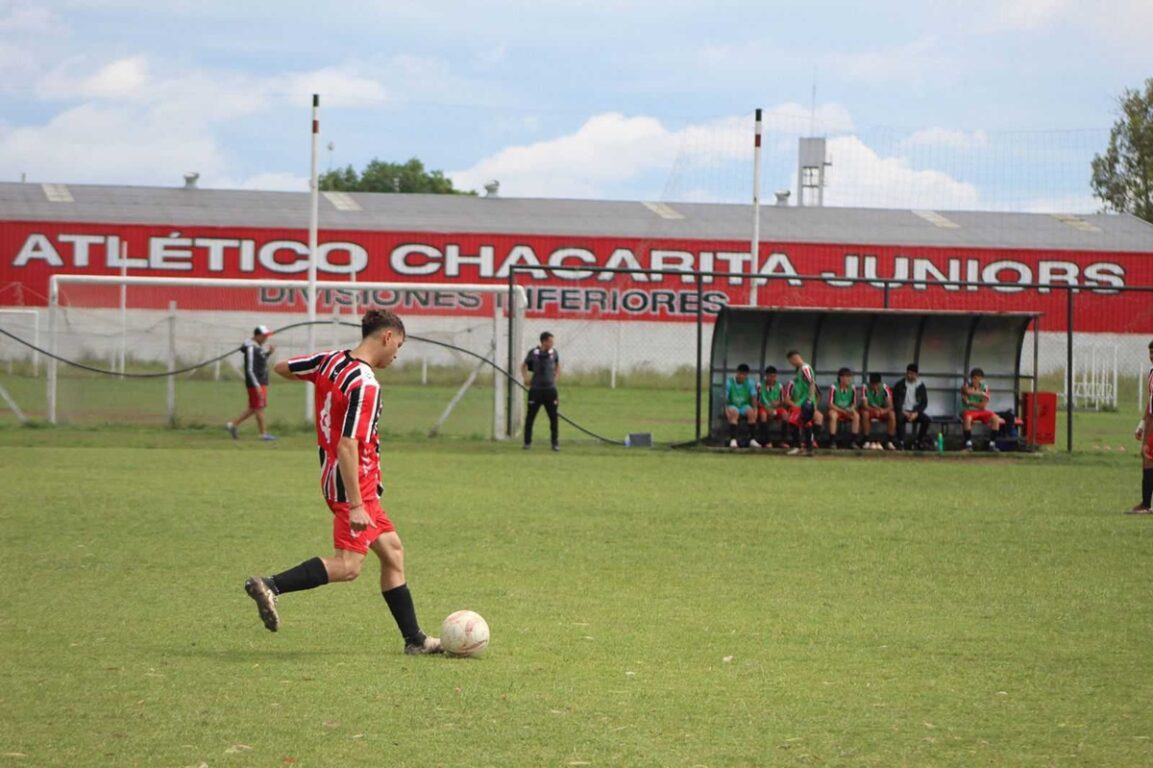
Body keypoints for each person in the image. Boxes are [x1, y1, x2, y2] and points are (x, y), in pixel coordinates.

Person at [243, 309, 442, 655]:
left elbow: (282, 368)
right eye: (399, 346)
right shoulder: (364, 384)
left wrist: (324, 395)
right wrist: (356, 505)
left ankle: (415, 640)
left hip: (340, 479)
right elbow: (347, 444)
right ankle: (270, 585)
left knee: (393, 552)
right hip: (354, 485)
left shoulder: (330, 362)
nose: (397, 354)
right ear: (387, 337)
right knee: (349, 567)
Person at [227, 324, 277, 441]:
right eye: (264, 336)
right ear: (257, 336)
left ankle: (233, 425)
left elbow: (261, 361)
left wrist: (268, 353)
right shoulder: (251, 348)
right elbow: (250, 369)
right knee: (258, 408)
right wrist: (257, 386)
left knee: (255, 407)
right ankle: (263, 434)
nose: (266, 338)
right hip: (256, 383)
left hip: (261, 382)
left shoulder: (258, 348)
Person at [521, 332, 561, 451]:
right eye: (550, 341)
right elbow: (524, 366)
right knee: (530, 417)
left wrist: (556, 378)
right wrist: (526, 378)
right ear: (543, 342)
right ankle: (527, 442)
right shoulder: (534, 353)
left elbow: (558, 365)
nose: (552, 343)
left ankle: (555, 443)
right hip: (536, 390)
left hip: (550, 390)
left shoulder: (554, 353)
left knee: (553, 417)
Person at [1129, 340, 1153, 514]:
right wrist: (1142, 424)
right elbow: (1151, 401)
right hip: (1151, 420)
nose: (1151, 357)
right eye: (1150, 353)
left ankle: (1146, 505)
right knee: (1147, 458)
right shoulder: (1151, 373)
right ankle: (1146, 503)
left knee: (1147, 456)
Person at [784, 350, 822, 455]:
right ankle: (806, 448)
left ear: (794, 358)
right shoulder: (800, 370)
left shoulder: (805, 368)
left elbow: (812, 382)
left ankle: (802, 447)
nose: (791, 364)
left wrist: (810, 400)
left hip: (805, 402)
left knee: (794, 421)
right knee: (804, 423)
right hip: (801, 402)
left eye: (791, 361)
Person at [960, 367, 1005, 452]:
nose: (974, 380)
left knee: (995, 418)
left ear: (981, 379)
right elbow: (965, 392)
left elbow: (982, 406)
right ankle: (968, 445)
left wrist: (971, 402)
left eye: (977, 378)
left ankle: (992, 445)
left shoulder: (985, 387)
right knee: (968, 418)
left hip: (980, 411)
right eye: (973, 378)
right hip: (968, 411)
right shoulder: (966, 386)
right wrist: (980, 393)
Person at [892, 363, 932, 449]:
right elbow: (896, 402)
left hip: (915, 411)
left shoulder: (921, 386)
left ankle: (919, 440)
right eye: (908, 373)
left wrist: (916, 413)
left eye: (912, 374)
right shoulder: (900, 385)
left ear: (916, 375)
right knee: (899, 418)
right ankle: (901, 441)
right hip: (903, 410)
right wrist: (903, 411)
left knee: (927, 420)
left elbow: (924, 403)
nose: (909, 376)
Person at [724, 363, 761, 448]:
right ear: (737, 373)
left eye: (745, 375)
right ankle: (733, 440)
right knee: (734, 413)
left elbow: (753, 397)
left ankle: (752, 439)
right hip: (732, 405)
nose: (742, 377)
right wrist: (726, 410)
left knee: (751, 413)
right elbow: (725, 399)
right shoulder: (729, 382)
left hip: (744, 405)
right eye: (741, 374)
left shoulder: (750, 382)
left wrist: (755, 410)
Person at [859, 373, 898, 450]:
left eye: (876, 384)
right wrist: (874, 410)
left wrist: (883, 410)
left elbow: (890, 405)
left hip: (882, 410)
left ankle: (890, 441)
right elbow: (864, 405)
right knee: (865, 414)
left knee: (892, 415)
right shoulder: (865, 387)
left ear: (880, 383)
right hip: (870, 409)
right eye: (873, 384)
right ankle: (866, 440)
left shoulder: (885, 388)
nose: (875, 387)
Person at [825, 367, 861, 450]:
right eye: (846, 377)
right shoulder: (834, 387)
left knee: (856, 416)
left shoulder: (852, 388)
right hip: (836, 409)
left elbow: (854, 403)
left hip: (847, 410)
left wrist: (851, 409)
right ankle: (832, 441)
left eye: (849, 377)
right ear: (840, 378)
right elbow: (830, 404)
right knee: (833, 415)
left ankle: (853, 441)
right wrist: (842, 411)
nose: (848, 379)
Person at [756, 365, 789, 448]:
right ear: (766, 376)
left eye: (774, 376)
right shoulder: (759, 385)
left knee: (785, 414)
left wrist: (778, 403)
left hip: (776, 408)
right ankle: (767, 441)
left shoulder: (780, 386)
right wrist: (766, 408)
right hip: (763, 408)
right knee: (763, 415)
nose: (772, 378)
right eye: (770, 376)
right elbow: (756, 401)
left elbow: (783, 401)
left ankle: (783, 441)